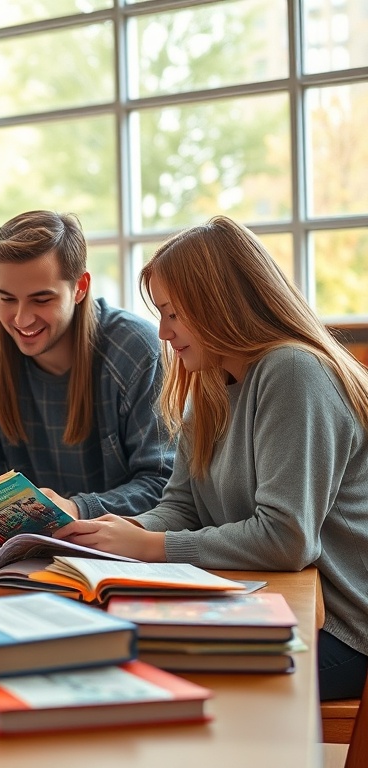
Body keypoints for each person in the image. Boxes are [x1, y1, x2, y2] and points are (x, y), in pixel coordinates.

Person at [54, 215, 368, 701]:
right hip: (260, 605)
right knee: (102, 641)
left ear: (219, 304)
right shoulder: (211, 384)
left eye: (174, 313)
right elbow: (181, 508)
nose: (162, 332)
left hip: (343, 631)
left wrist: (150, 548)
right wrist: (121, 533)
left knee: (139, 670)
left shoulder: (293, 373)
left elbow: (287, 539)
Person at [0, 210, 173, 519]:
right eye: (7, 298)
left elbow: (163, 483)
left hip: (121, 555)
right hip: (21, 555)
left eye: (41, 300)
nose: (21, 319)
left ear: (80, 287)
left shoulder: (138, 352)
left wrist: (74, 509)